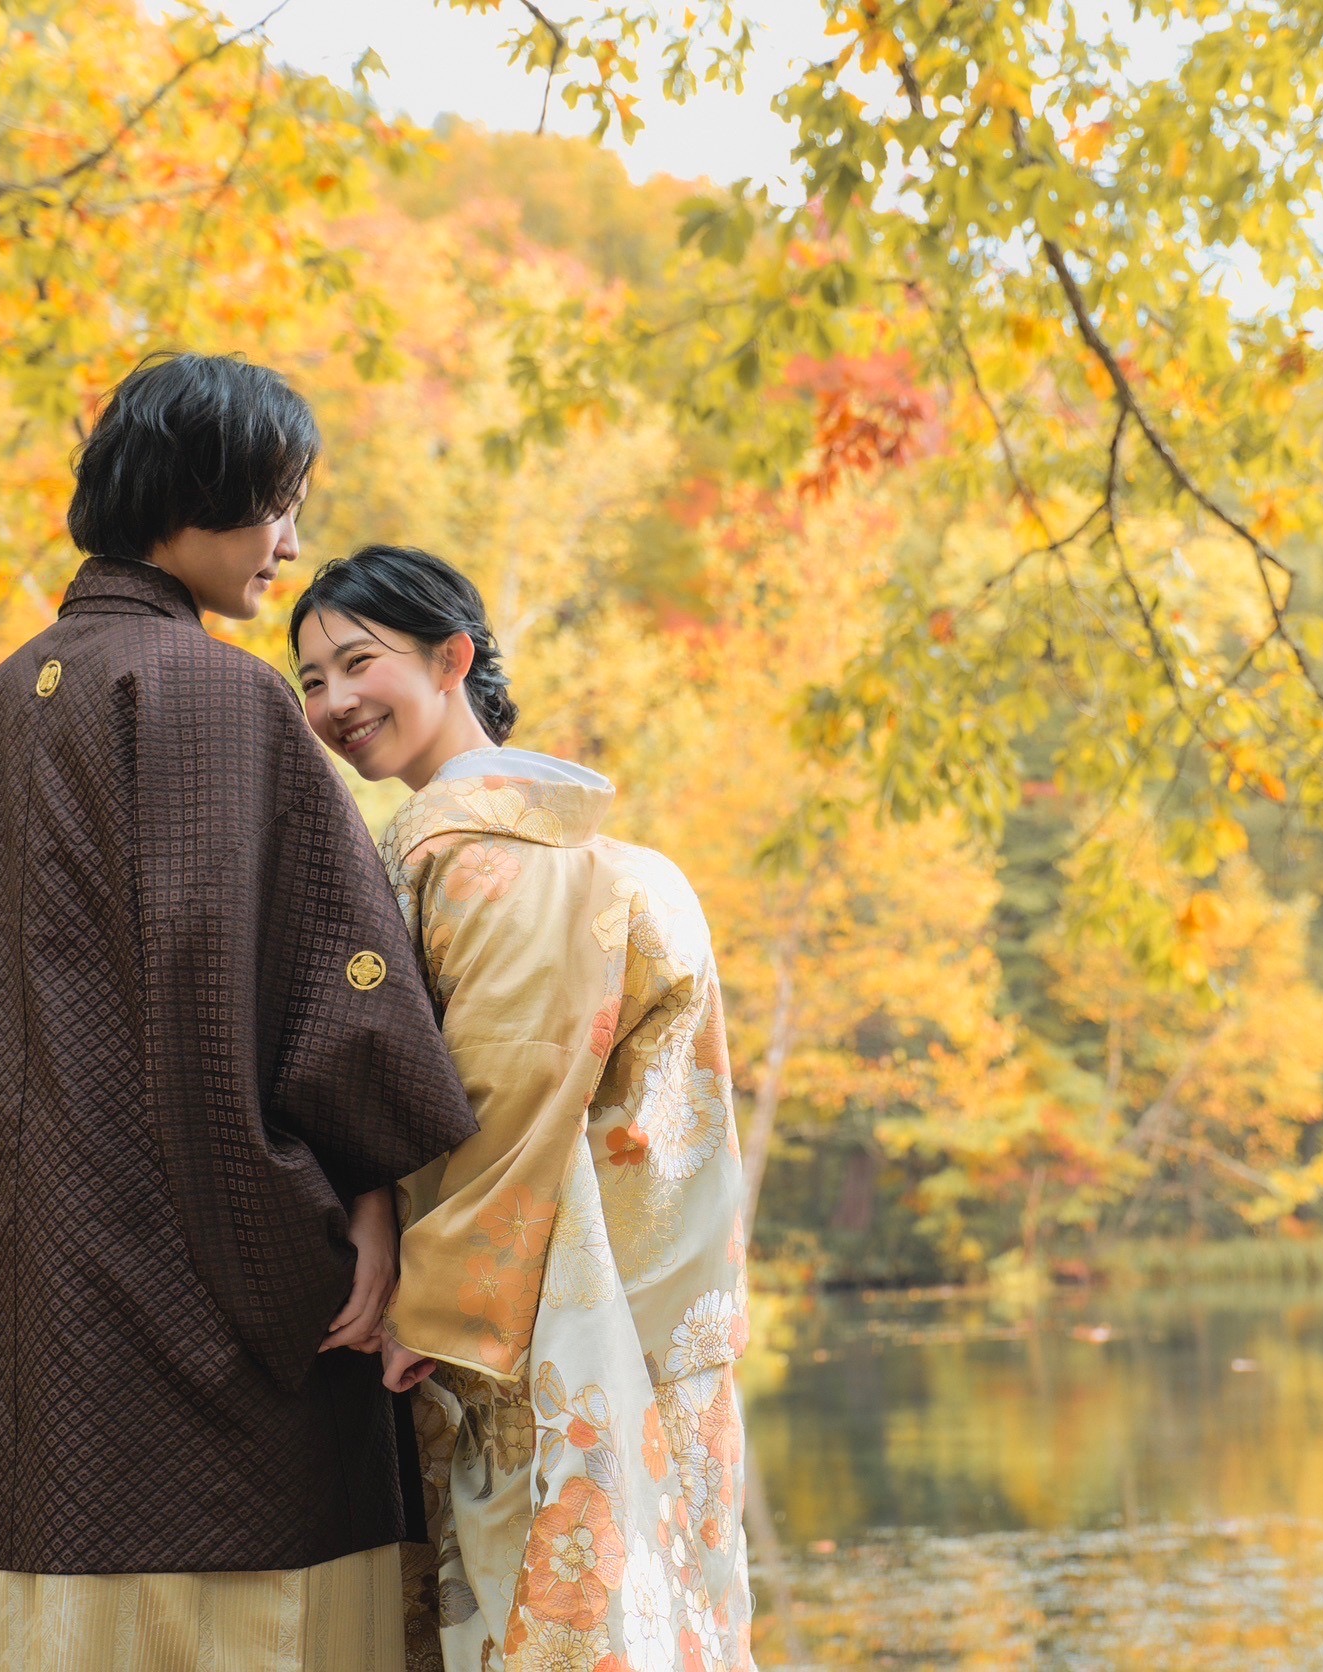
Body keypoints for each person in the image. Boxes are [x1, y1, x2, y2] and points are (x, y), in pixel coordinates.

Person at [0, 355, 480, 1670]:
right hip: (221, 1378)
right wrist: (359, 1222)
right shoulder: (219, 696)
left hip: (47, 1358)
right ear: (190, 491)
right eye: (271, 505)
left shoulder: (0, 701)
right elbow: (327, 1002)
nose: (290, 544)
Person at [290, 546, 755, 1672]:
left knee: (538, 1606)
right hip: (614, 1294)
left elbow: (505, 1088)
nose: (334, 702)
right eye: (309, 681)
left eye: (358, 662)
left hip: (544, 1308)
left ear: (451, 657)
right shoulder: (556, 846)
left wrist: (428, 1304)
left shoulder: (496, 859)